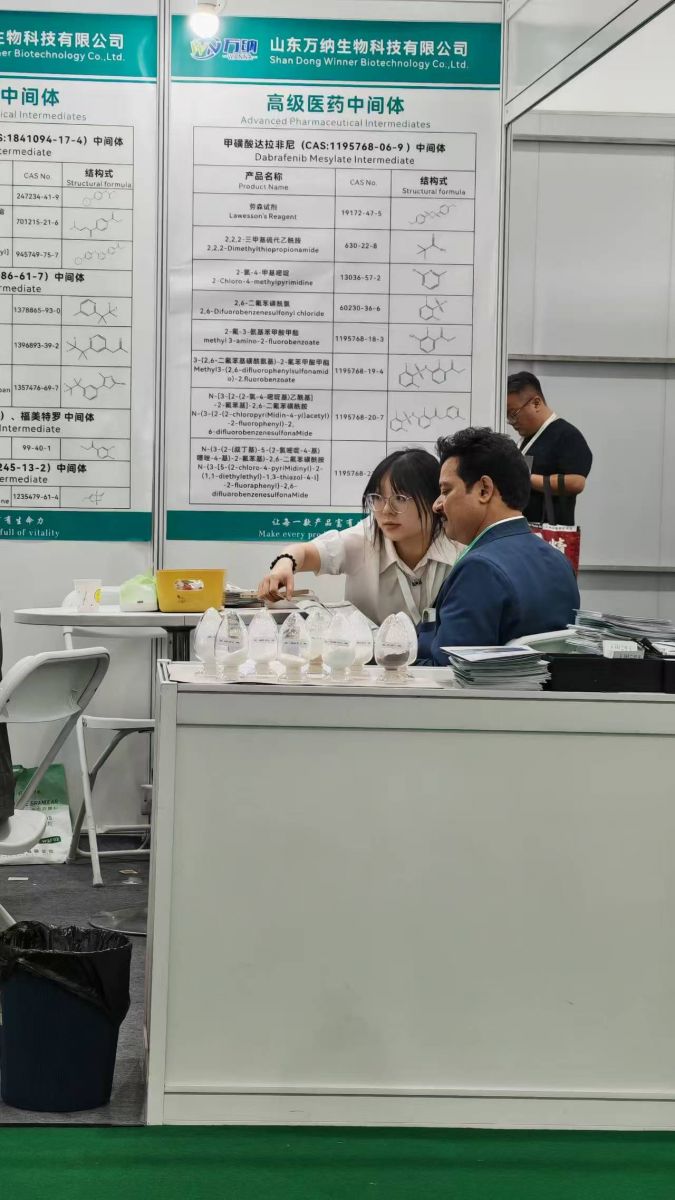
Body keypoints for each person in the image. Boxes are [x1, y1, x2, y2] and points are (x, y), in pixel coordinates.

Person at [417, 428, 580, 665]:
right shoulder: (559, 562)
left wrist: (386, 659)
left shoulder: (479, 569)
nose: (437, 505)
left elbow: (448, 671)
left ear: (484, 489)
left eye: (445, 491)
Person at [257, 448, 462, 626]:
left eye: (400, 498)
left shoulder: (459, 544)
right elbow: (305, 552)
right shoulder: (365, 537)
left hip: (442, 657)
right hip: (367, 657)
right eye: (377, 498)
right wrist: (284, 564)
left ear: (434, 499)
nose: (386, 510)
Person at [506, 371, 592, 525]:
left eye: (513, 414)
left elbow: (576, 482)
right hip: (525, 529)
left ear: (536, 403)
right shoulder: (526, 439)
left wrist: (526, 479)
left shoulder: (567, 435)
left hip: (549, 533)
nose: (511, 422)